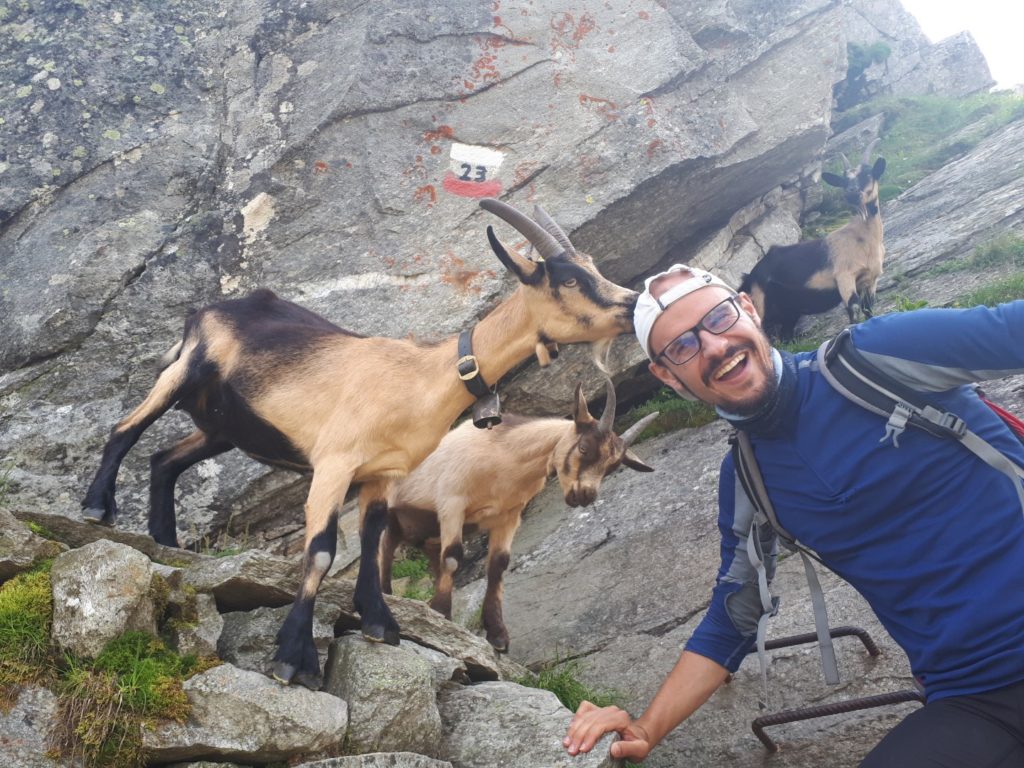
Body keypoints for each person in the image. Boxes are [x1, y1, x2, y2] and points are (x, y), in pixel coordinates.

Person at [563, 264, 1024, 766]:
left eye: (718, 317)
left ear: (748, 308)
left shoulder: (877, 357)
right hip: (977, 695)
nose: (714, 346)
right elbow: (734, 615)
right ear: (667, 376)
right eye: (682, 346)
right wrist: (646, 726)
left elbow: (1009, 331)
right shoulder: (749, 478)